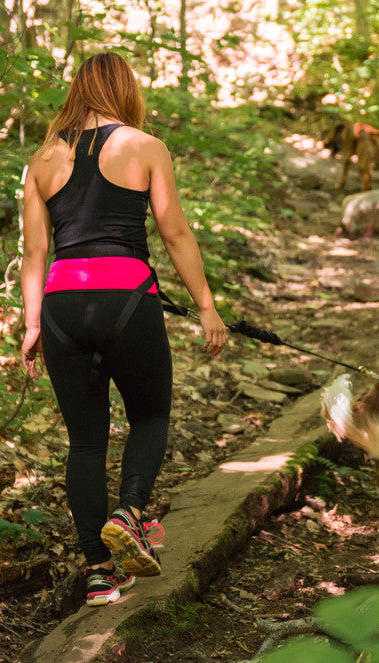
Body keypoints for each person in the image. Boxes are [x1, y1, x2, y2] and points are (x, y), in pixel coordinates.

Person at [20, 51, 228, 607]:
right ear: (124, 91)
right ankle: (129, 514)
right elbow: (176, 233)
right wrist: (206, 305)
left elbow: (34, 253)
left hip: (63, 304)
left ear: (77, 90)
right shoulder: (145, 146)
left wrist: (32, 323)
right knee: (151, 415)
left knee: (84, 442)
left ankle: (97, 572)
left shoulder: (41, 160)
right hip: (128, 298)